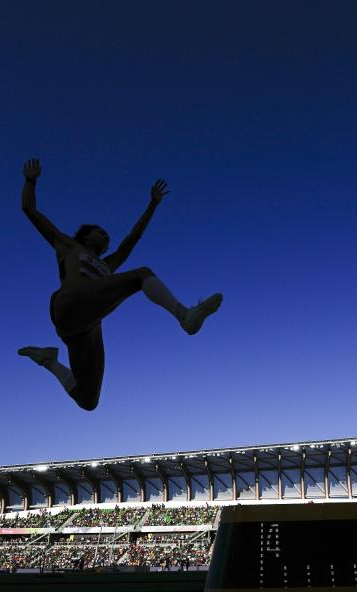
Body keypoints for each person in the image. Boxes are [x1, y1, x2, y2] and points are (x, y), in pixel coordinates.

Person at [17, 158, 222, 410]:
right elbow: (29, 210)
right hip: (69, 303)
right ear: (85, 234)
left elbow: (132, 239)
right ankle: (184, 316)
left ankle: (49, 360)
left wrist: (152, 205)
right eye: (100, 232)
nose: (105, 238)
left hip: (85, 326)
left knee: (88, 400)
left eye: (108, 238)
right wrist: (30, 180)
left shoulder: (109, 265)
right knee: (141, 274)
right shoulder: (68, 245)